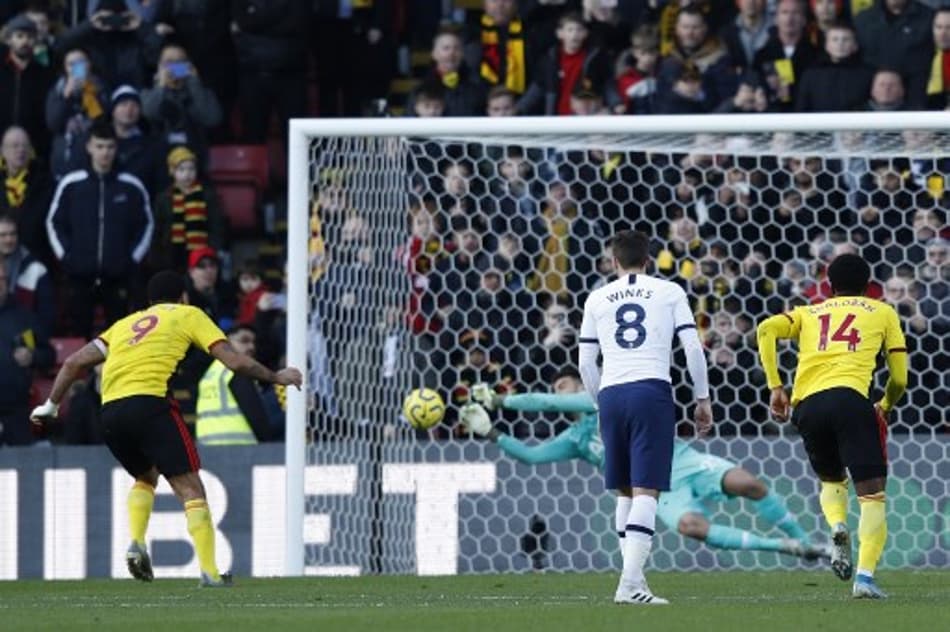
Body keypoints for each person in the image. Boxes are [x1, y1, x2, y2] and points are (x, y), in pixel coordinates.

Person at [29, 270, 302, 585]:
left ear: (149, 301)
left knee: (145, 476)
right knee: (191, 488)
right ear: (183, 296)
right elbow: (235, 362)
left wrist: (50, 405)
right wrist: (276, 376)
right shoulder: (189, 314)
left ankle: (137, 542)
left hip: (111, 412)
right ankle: (211, 574)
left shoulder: (125, 325)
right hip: (150, 404)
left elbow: (73, 362)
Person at [460, 368, 828, 560]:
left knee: (749, 483)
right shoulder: (574, 440)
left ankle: (808, 544)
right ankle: (785, 548)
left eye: (571, 385)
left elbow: (545, 404)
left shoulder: (603, 401)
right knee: (692, 527)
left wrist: (500, 400)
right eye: (560, 388)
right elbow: (531, 456)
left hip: (680, 459)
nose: (565, 393)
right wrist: (492, 432)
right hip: (655, 487)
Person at [756, 253, 908, 599]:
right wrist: (885, 405)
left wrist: (775, 386)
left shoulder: (809, 312)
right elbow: (900, 377)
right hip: (851, 400)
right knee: (872, 496)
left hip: (808, 406)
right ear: (870, 286)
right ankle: (865, 579)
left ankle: (837, 525)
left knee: (831, 479)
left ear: (828, 285)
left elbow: (765, 329)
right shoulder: (883, 312)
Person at [577, 229, 713, 605]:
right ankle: (631, 584)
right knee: (646, 490)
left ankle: (632, 581)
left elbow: (585, 361)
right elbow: (692, 347)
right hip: (650, 391)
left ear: (614, 262)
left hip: (611, 393)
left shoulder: (597, 297)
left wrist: (598, 402)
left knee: (624, 490)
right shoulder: (669, 291)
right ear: (649, 260)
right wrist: (702, 398)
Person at [45, 117, 153, 338]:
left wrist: (131, 259)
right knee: (78, 340)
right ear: (89, 147)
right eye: (100, 146)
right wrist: (66, 256)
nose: (105, 153)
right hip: (79, 276)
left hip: (119, 277)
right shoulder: (71, 184)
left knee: (120, 339)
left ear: (117, 148)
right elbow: (54, 222)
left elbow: (147, 224)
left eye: (110, 147)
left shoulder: (132, 185)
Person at [196, 323, 276, 445]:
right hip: (239, 447)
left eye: (253, 342)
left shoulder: (211, 373)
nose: (251, 346)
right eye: (244, 341)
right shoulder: (238, 370)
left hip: (207, 446)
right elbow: (256, 416)